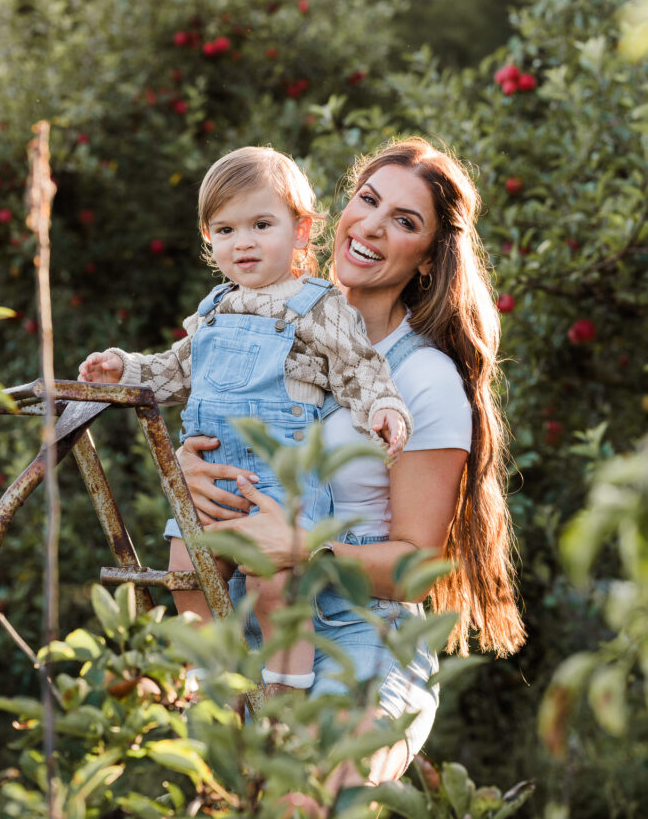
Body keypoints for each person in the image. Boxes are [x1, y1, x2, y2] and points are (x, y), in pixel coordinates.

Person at [175, 137, 526, 785]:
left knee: (306, 789)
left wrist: (302, 549)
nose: (371, 224)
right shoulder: (266, 324)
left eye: (404, 220)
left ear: (425, 260)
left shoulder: (421, 378)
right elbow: (209, 419)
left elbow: (417, 568)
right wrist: (190, 472)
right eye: (367, 200)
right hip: (246, 624)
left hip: (362, 644)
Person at [78, 146, 411, 698]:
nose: (245, 242)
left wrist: (383, 408)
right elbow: (173, 372)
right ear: (210, 240)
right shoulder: (213, 310)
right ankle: (209, 687)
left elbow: (360, 368)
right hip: (213, 474)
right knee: (187, 570)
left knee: (274, 586)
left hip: (280, 482)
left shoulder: (319, 306)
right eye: (226, 230)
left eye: (262, 224)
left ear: (302, 231)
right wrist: (124, 368)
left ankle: (285, 696)